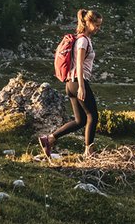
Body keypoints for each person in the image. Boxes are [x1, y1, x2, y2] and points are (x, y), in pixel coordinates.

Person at [40, 9, 103, 159]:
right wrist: (81, 86)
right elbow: (79, 64)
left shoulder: (82, 39)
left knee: (80, 120)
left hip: (71, 83)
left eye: (100, 25)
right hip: (77, 81)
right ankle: (89, 151)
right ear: (87, 23)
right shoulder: (83, 41)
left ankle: (49, 139)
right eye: (96, 25)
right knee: (93, 115)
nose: (98, 28)